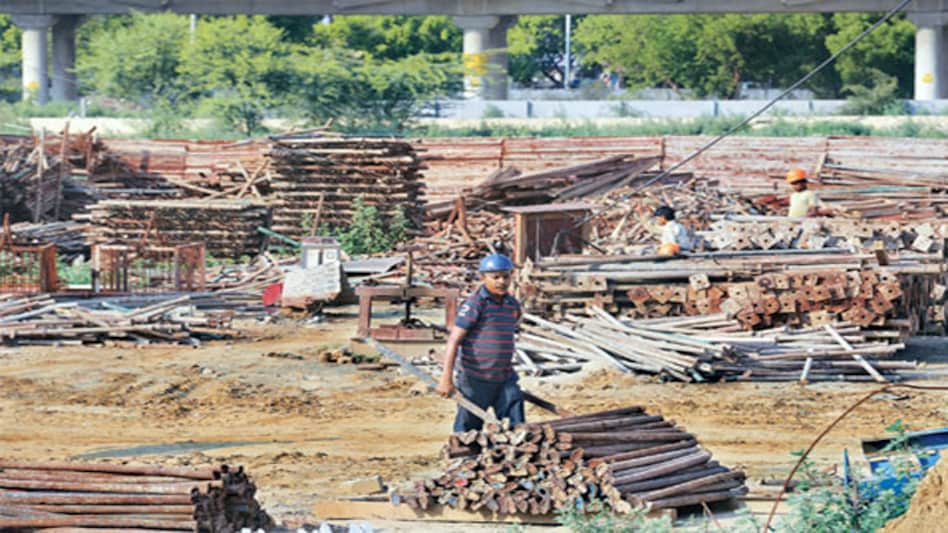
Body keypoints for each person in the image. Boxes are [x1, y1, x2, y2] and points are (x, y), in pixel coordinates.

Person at [436, 253, 524, 432]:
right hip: (475, 378)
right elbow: (454, 340)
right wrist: (446, 378)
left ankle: (514, 457)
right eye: (495, 277)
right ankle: (463, 457)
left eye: (505, 276)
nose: (501, 281)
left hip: (504, 376)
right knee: (469, 428)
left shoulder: (512, 305)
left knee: (516, 424)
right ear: (483, 278)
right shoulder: (475, 304)